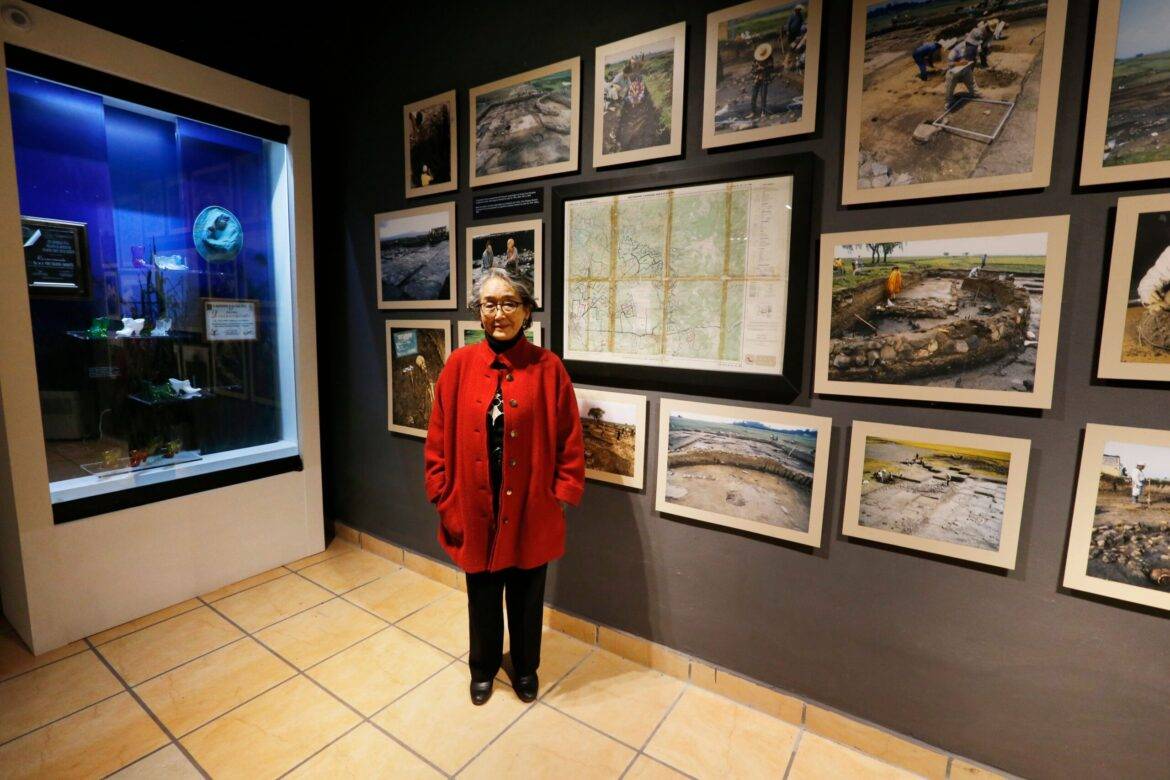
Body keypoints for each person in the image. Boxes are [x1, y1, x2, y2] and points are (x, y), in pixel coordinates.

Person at [424, 267, 585, 706]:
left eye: (509, 302)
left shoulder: (547, 368)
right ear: (479, 312)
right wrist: (441, 493)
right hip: (474, 505)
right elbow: (437, 435)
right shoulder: (459, 365)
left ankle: (526, 667)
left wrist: (562, 494)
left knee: (528, 595)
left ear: (527, 310)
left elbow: (570, 438)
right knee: (482, 592)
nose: (499, 313)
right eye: (490, 304)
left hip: (533, 506)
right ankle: (483, 666)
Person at [944, 44, 980, 109]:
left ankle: (949, 102)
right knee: (971, 83)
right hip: (960, 69)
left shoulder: (953, 52)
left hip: (961, 69)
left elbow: (950, 64)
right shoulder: (962, 48)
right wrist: (961, 63)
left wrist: (962, 64)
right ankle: (976, 94)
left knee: (950, 86)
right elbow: (950, 63)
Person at [748, 43, 776, 120]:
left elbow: (771, 69)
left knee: (763, 95)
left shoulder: (770, 59)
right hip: (757, 79)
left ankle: (763, 112)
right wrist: (757, 70)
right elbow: (752, 70)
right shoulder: (756, 60)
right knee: (754, 95)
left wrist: (763, 69)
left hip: (765, 78)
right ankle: (753, 112)